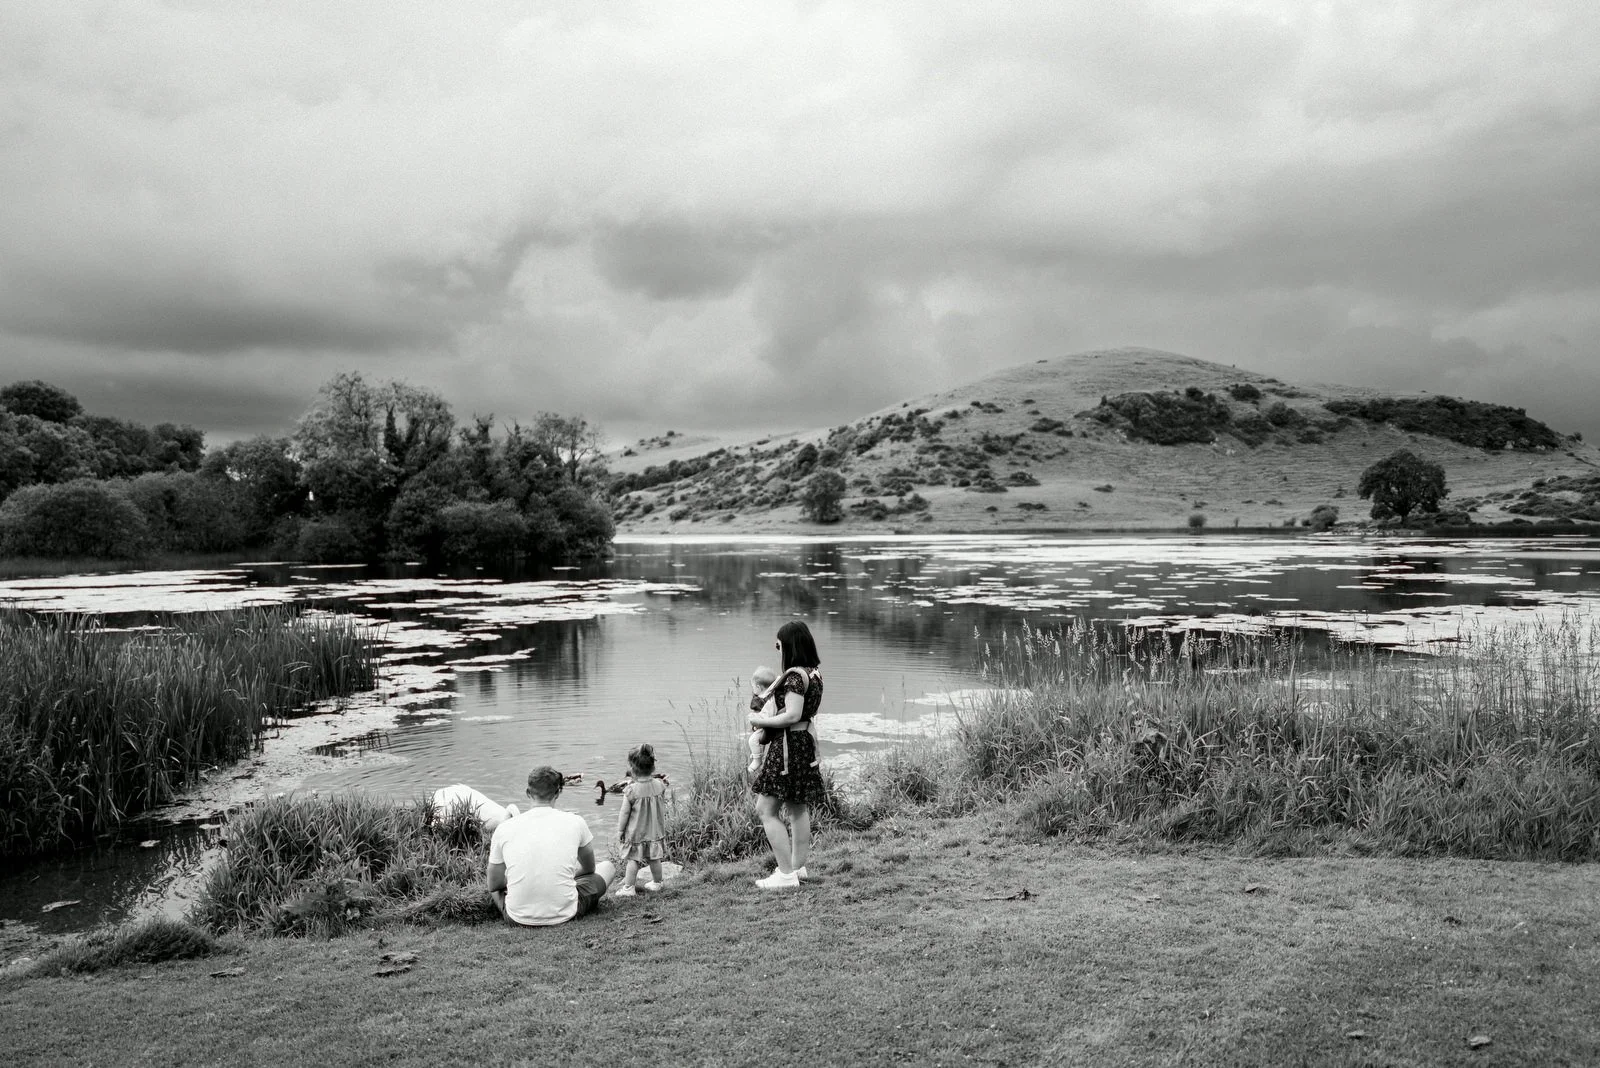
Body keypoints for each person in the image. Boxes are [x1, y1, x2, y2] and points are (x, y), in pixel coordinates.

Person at [747, 620, 826, 889]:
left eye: (779, 643)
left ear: (789, 645)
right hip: (803, 742)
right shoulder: (814, 674)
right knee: (796, 807)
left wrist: (761, 722)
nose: (777, 648)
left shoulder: (793, 677)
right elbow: (804, 714)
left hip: (789, 746)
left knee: (765, 809)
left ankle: (785, 873)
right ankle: (797, 867)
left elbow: (792, 715)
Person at [487, 765, 615, 926]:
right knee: (608, 867)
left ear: (528, 793)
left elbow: (493, 884)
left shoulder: (504, 828)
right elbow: (590, 868)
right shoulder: (575, 822)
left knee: (497, 888)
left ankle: (522, 904)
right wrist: (566, 875)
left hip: (517, 917)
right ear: (558, 793)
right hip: (566, 912)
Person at [613, 743, 670, 897]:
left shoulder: (631, 790)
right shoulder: (660, 785)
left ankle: (629, 888)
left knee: (633, 860)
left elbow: (624, 813)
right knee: (654, 858)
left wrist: (620, 831)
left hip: (636, 833)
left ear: (632, 768)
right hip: (654, 831)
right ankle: (657, 882)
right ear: (652, 767)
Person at [746, 665, 779, 774]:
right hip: (770, 724)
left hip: (767, 725)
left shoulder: (767, 700)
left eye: (753, 687)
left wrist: (754, 719)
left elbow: (766, 716)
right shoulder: (773, 694)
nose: (753, 690)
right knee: (760, 742)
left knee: (752, 740)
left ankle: (757, 760)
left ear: (759, 687)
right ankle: (758, 755)